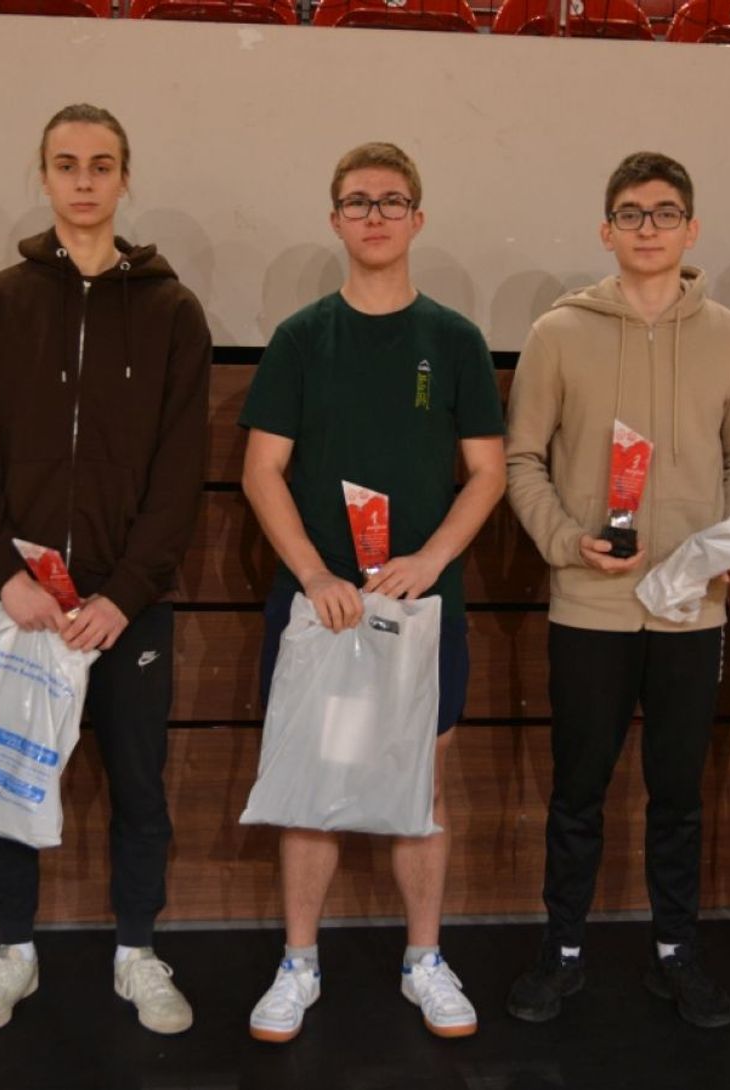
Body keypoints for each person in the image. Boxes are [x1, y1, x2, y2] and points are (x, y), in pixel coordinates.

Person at [0, 103, 211, 1037]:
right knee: (10, 784)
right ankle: (13, 950)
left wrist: (126, 594)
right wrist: (5, 579)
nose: (84, 180)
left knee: (139, 786)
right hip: (19, 605)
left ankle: (137, 951)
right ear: (44, 175)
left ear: (125, 179)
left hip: (129, 610)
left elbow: (181, 472)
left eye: (101, 164)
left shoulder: (173, 312)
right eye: (66, 163)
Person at [239, 141, 507, 1043]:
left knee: (419, 789)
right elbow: (262, 470)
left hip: (422, 609)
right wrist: (313, 573)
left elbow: (488, 473)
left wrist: (430, 559)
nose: (376, 216)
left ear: (417, 219)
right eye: (358, 202)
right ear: (336, 220)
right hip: (323, 610)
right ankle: (299, 963)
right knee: (311, 786)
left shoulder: (455, 341)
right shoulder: (301, 338)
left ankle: (424, 959)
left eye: (392, 201)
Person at [504, 151, 730, 1030]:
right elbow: (522, 459)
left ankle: (676, 952)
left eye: (663, 214)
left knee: (679, 795)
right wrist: (564, 542)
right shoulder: (557, 333)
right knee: (578, 789)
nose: (647, 228)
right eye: (630, 213)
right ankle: (562, 950)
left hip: (690, 607)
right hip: (590, 604)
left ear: (692, 230)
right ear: (605, 229)